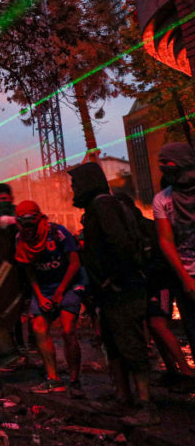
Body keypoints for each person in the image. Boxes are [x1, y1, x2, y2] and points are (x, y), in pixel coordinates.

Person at [68, 161, 158, 427]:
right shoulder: (98, 207)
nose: (73, 188)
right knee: (114, 344)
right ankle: (122, 398)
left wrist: (112, 279)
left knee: (131, 345)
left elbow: (119, 243)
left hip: (123, 290)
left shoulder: (103, 206)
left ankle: (145, 405)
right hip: (112, 292)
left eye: (75, 184)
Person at [12, 200, 84, 397]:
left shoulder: (57, 232)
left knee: (69, 330)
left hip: (68, 285)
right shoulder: (21, 239)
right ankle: (53, 379)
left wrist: (61, 290)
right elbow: (28, 269)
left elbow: (75, 263)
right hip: (44, 288)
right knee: (39, 328)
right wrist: (40, 295)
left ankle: (75, 380)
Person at [153, 143, 195, 356]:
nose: (163, 168)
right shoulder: (162, 199)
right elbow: (166, 240)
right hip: (185, 278)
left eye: (167, 162)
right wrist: (185, 279)